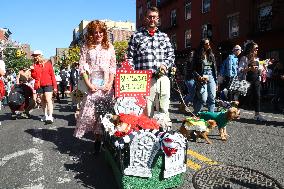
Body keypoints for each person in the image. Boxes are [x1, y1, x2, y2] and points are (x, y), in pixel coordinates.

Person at [73, 20, 116, 154]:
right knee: (92, 114)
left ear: (104, 33)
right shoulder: (86, 47)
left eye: (100, 32)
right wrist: (88, 84)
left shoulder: (110, 47)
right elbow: (82, 68)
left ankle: (102, 140)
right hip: (92, 86)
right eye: (95, 32)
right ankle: (97, 139)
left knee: (105, 114)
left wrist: (109, 83)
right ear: (91, 33)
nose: (98, 34)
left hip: (106, 86)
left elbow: (112, 67)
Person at [127, 6, 175, 118]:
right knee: (146, 112)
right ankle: (147, 133)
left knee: (163, 110)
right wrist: (134, 78)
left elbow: (171, 55)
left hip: (162, 78)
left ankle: (162, 132)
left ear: (158, 19)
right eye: (150, 17)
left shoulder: (164, 37)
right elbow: (130, 58)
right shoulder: (136, 36)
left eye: (154, 17)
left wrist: (165, 64)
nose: (152, 19)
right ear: (145, 18)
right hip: (143, 80)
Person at [238, 41, 266, 121]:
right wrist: (250, 68)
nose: (257, 49)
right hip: (247, 79)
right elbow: (240, 70)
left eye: (257, 48)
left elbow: (259, 69)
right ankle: (236, 111)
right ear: (250, 48)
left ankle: (257, 114)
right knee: (243, 96)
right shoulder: (244, 58)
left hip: (256, 79)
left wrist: (263, 67)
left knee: (257, 96)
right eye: (255, 48)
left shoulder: (257, 58)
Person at [30, 50, 57, 124]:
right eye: (34, 56)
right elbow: (34, 77)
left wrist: (55, 87)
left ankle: (50, 116)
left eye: (36, 56)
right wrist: (32, 70)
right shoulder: (35, 65)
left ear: (40, 55)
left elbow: (52, 76)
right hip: (39, 85)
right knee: (43, 101)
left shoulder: (48, 64)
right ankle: (45, 115)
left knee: (48, 99)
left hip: (48, 84)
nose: (35, 57)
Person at [192, 38, 218, 114]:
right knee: (203, 99)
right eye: (206, 44)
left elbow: (215, 69)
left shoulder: (211, 55)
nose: (208, 45)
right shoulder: (197, 55)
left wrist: (216, 82)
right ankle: (196, 114)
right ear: (202, 45)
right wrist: (199, 77)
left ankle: (210, 116)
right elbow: (193, 69)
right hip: (202, 77)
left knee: (212, 98)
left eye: (209, 43)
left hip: (211, 76)